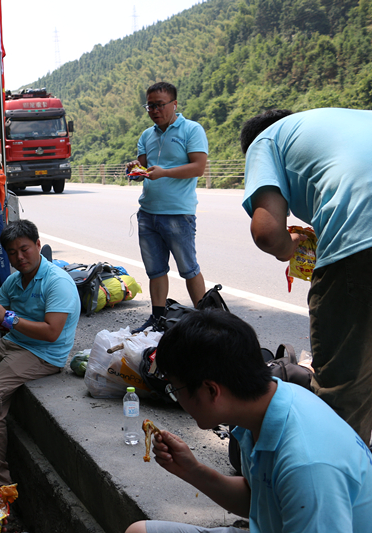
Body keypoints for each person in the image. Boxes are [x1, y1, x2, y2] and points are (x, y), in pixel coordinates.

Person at [125, 310, 372, 533]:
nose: (176, 397)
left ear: (211, 391)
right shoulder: (264, 406)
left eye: (175, 388)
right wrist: (191, 470)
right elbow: (262, 503)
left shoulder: (307, 466)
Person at [239, 108, 372, 446]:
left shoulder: (265, 140)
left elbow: (267, 232)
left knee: (343, 390)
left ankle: (339, 487)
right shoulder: (345, 120)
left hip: (361, 243)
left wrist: (291, 246)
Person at [0, 219, 80, 516]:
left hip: (44, 353)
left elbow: (52, 332)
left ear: (38, 246)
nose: (19, 257)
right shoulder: (13, 281)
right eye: (12, 253)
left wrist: (8, 318)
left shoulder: (57, 282)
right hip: (13, 343)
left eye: (24, 249)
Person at [125, 82, 208, 333]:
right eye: (150, 105)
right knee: (155, 270)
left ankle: (207, 321)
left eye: (159, 104)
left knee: (189, 269)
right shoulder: (146, 135)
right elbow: (142, 170)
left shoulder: (191, 130)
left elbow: (198, 167)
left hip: (178, 213)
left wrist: (165, 173)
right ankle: (158, 318)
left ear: (174, 104)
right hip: (148, 213)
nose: (154, 109)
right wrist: (134, 171)